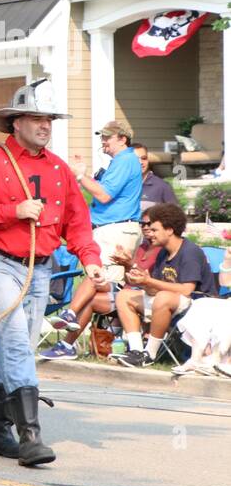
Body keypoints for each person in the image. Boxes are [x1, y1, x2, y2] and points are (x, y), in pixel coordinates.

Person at [0, 79, 104, 467]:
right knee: (17, 341)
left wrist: (89, 258)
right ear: (15, 122)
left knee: (16, 346)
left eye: (49, 119)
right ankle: (31, 437)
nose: (45, 125)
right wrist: (12, 211)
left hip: (41, 269)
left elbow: (77, 221)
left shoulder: (59, 169)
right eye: (37, 118)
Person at [39, 211, 162, 360]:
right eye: (143, 223)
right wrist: (126, 265)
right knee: (93, 278)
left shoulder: (163, 251)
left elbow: (152, 283)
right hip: (128, 289)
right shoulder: (143, 246)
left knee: (91, 300)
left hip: (142, 296)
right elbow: (130, 280)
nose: (146, 227)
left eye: (151, 225)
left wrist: (131, 264)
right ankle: (70, 315)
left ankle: (67, 345)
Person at [113, 202, 218, 367]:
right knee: (124, 295)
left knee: (163, 297)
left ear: (169, 230)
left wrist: (149, 281)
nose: (150, 234)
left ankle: (150, 354)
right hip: (170, 303)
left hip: (198, 305)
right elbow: (155, 288)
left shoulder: (190, 251)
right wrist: (137, 275)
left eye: (154, 230)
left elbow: (186, 289)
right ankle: (136, 351)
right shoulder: (164, 253)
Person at [67, 119, 142, 291]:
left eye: (108, 137)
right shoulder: (122, 160)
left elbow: (103, 195)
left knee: (106, 287)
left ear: (123, 139)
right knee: (106, 286)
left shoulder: (125, 160)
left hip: (115, 230)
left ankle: (75, 316)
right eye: (102, 137)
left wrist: (80, 176)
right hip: (115, 229)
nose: (103, 140)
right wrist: (84, 175)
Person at [132, 143, 178, 210]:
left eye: (144, 158)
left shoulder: (162, 186)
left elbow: (175, 216)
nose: (140, 162)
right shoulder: (120, 185)